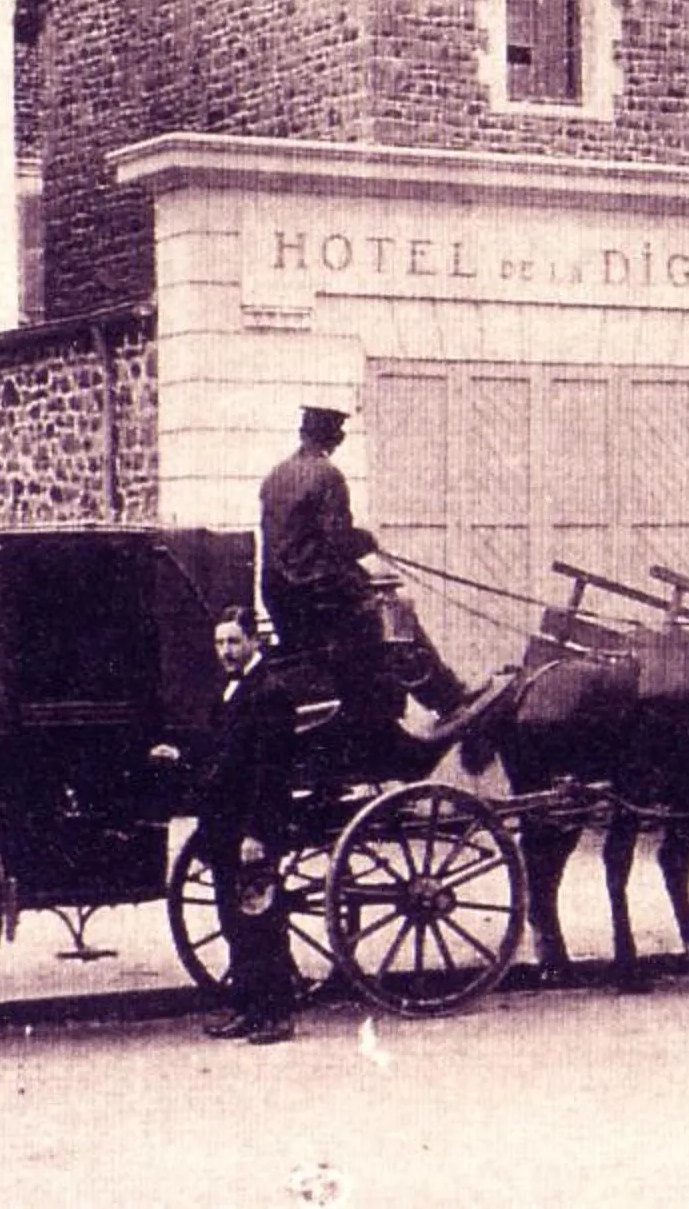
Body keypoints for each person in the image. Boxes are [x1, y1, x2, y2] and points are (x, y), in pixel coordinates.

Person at [256, 404, 495, 778]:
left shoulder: (275, 476)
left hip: (282, 599)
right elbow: (338, 539)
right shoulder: (327, 475)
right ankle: (446, 697)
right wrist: (365, 540)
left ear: (304, 432)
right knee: (396, 613)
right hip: (319, 594)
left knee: (383, 604)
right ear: (334, 437)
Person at [194, 607, 299, 1044]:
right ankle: (247, 1008)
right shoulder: (232, 689)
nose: (226, 651)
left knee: (261, 922)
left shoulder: (270, 692)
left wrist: (257, 833)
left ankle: (276, 1015)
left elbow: (270, 773)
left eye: (234, 641)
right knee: (236, 922)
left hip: (249, 829)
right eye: (220, 643)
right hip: (226, 826)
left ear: (254, 641)